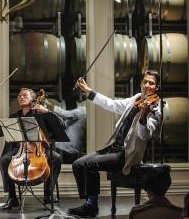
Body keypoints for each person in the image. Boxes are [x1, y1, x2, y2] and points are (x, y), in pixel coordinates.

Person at [68, 70, 162, 217]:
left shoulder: (155, 108)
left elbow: (145, 135)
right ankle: (88, 202)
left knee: (89, 165)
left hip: (125, 155)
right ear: (141, 83)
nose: (147, 85)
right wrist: (88, 91)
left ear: (156, 87)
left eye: (152, 83)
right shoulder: (137, 99)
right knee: (78, 164)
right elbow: (112, 104)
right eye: (145, 82)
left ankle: (92, 206)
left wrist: (143, 116)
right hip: (113, 148)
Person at [0, 88, 65, 210]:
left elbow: (62, 125)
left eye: (24, 95)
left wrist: (46, 110)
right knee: (4, 160)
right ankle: (12, 198)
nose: (21, 97)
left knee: (56, 158)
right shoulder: (15, 116)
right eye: (19, 95)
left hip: (40, 148)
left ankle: (48, 194)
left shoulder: (41, 113)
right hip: (19, 149)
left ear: (33, 99)